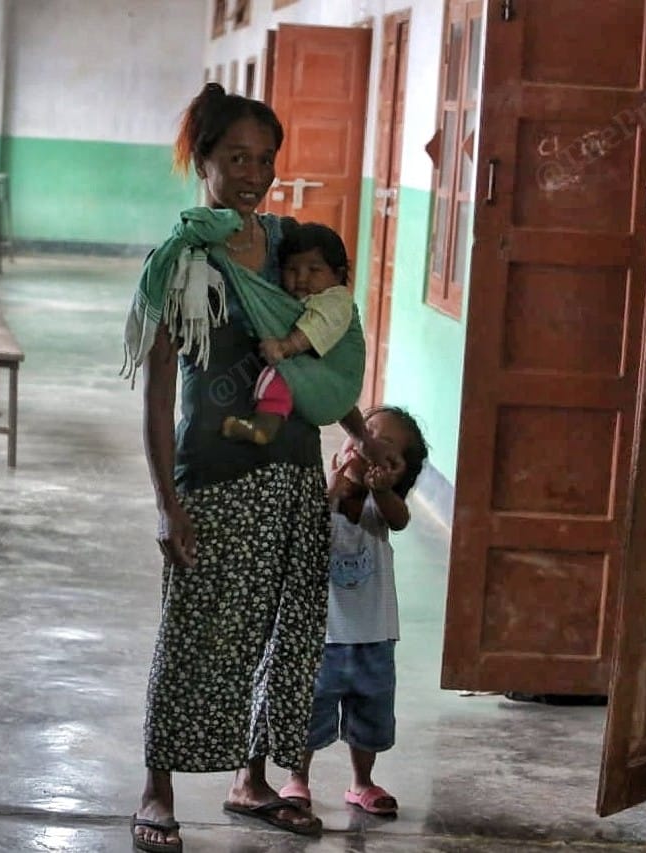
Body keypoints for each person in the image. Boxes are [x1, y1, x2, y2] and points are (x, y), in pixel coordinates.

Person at [121, 82, 402, 853]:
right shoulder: (184, 260)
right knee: (196, 630)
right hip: (212, 473)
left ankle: (252, 781)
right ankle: (158, 788)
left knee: (286, 635)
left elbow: (321, 351)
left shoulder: (286, 245)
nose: (253, 172)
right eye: (235, 157)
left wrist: (360, 430)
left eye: (265, 158)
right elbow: (156, 388)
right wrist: (164, 500)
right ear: (202, 160)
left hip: (291, 471)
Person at [279, 406, 429, 819]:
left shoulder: (381, 508)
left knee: (370, 712)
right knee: (308, 710)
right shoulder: (323, 496)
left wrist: (382, 490)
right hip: (321, 636)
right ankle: (297, 779)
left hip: (373, 635)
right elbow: (307, 525)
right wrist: (336, 483)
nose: (369, 444)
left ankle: (362, 781)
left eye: (385, 444)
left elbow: (400, 519)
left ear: (396, 469)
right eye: (366, 433)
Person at [222, 222, 355, 445]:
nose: (301, 278)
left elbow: (320, 324)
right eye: (292, 270)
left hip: (323, 375)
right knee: (281, 378)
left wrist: (286, 346)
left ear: (338, 274)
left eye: (314, 270)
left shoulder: (337, 299)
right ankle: (264, 428)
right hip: (307, 375)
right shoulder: (291, 300)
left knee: (277, 375)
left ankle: (263, 425)